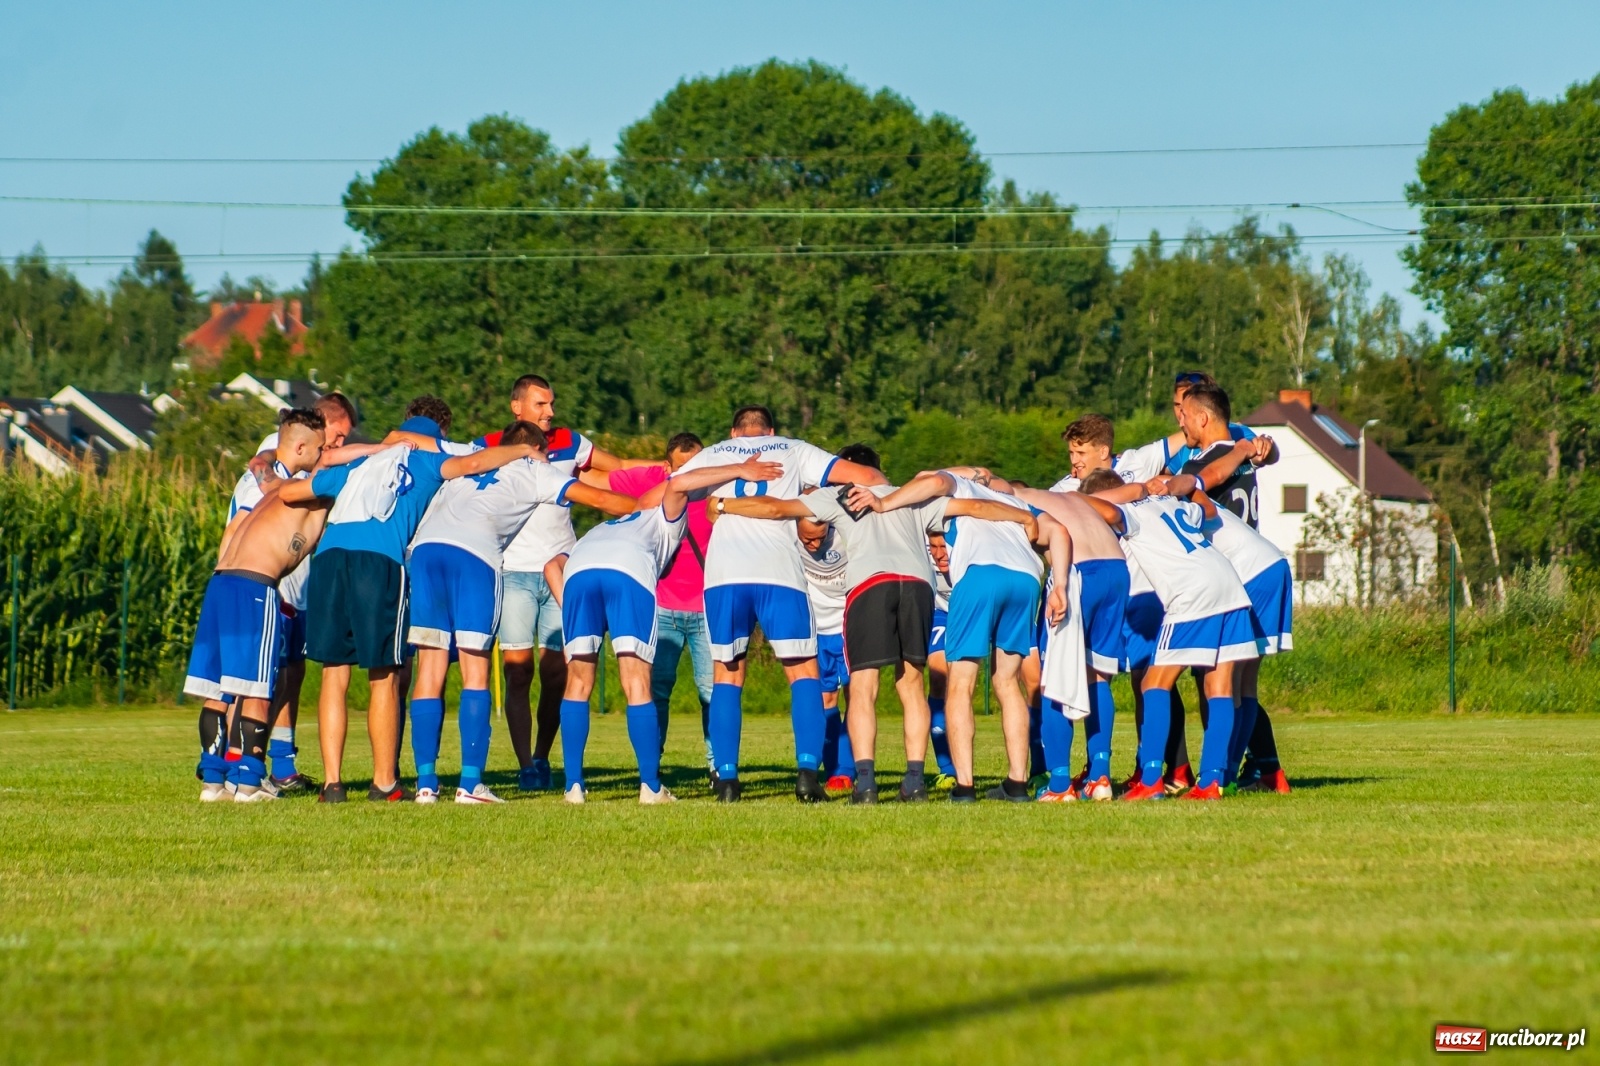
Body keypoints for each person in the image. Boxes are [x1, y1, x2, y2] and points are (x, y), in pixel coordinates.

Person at [731, 447, 1041, 803]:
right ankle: (914, 781)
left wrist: (723, 506)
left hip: (871, 585)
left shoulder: (838, 495)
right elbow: (977, 508)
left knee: (863, 686)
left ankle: (865, 783)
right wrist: (1023, 516)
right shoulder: (910, 498)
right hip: (918, 586)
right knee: (911, 684)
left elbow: (775, 509)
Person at [302, 397, 537, 803]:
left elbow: (305, 484)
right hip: (379, 560)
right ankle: (384, 783)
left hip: (328, 558)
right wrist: (521, 449)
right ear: (441, 431)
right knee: (384, 674)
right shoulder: (430, 457)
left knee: (333, 673)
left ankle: (333, 784)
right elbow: (473, 465)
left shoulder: (363, 460)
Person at [404, 421, 637, 804]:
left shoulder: (469, 456)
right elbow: (603, 500)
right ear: (535, 449)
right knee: (475, 670)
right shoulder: (536, 468)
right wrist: (649, 511)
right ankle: (470, 783)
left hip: (426, 550)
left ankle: (426, 783)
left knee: (430, 670)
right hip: (475, 555)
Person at [672, 404, 887, 803]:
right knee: (803, 673)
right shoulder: (793, 448)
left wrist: (725, 485)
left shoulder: (716, 452)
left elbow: (677, 485)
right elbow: (868, 476)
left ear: (735, 433)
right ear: (771, 430)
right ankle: (807, 775)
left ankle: (728, 781)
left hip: (724, 577)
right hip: (779, 574)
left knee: (727, 676)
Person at [553, 451, 783, 804]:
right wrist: (741, 469)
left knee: (578, 682)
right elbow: (679, 484)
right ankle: (650, 786)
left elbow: (554, 565)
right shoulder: (664, 516)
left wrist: (572, 607)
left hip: (579, 572)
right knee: (636, 682)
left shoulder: (610, 524)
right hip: (628, 570)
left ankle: (573, 787)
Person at [479, 375, 661, 792]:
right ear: (517, 407)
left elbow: (617, 471)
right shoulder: (486, 445)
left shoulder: (569, 442)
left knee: (559, 671)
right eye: (541, 404)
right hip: (514, 572)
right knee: (518, 671)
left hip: (565, 568)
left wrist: (663, 471)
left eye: (552, 404)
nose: (550, 412)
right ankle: (526, 766)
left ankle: (543, 756)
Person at [848, 472, 1069, 803]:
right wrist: (1060, 585)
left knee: (960, 685)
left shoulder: (956, 487)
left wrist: (884, 503)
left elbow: (935, 483)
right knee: (1008, 683)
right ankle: (1017, 783)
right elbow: (1060, 532)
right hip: (1026, 579)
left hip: (980, 575)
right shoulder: (1015, 500)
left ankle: (964, 786)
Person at [1075, 470, 1261, 802]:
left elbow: (1105, 509)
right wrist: (1194, 487)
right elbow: (1209, 511)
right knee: (1218, 686)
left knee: (1153, 684)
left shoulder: (1133, 512)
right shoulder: (1170, 504)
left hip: (1191, 593)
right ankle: (1211, 782)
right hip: (1229, 585)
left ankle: (1150, 781)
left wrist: (1069, 502)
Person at [187, 410, 329, 802]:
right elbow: (248, 529)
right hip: (255, 586)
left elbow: (235, 531)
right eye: (320, 447)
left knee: (220, 686)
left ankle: (214, 780)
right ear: (301, 446)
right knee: (258, 686)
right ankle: (249, 779)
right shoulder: (272, 482)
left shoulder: (265, 476)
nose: (322, 454)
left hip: (224, 582)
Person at [236, 393, 362, 793]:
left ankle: (282, 764)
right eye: (338, 434)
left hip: (301, 582)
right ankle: (241, 762)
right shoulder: (280, 451)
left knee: (292, 672)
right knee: (261, 676)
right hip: (272, 580)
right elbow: (264, 465)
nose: (339, 444)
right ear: (321, 425)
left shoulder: (319, 458)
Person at [1173, 381, 1290, 792]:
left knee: (1218, 682)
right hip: (1262, 564)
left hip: (1238, 573)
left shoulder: (1202, 465)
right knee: (1242, 685)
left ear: (1203, 417)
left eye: (1183, 413)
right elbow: (1266, 453)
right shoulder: (1241, 445)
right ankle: (1259, 770)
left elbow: (1205, 480)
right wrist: (1258, 448)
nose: (1179, 420)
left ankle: (1215, 777)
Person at [990, 480, 1132, 802]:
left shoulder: (1014, 500)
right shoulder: (1070, 497)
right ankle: (1101, 777)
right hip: (1117, 569)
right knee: (1098, 676)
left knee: (1054, 679)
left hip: (1079, 573)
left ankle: (1059, 784)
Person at [591, 433, 718, 777]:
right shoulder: (650, 482)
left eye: (699, 466)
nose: (692, 475)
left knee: (712, 692)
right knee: (655, 689)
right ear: (667, 467)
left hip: (707, 609)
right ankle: (653, 763)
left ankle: (718, 766)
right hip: (661, 607)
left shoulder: (720, 489)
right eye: (682, 468)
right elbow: (591, 477)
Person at [795, 513, 854, 794]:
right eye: (808, 538)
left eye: (821, 537)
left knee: (857, 696)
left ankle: (849, 769)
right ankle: (832, 769)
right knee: (826, 698)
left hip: (849, 626)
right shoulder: (788, 537)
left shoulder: (846, 532)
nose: (815, 544)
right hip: (816, 630)